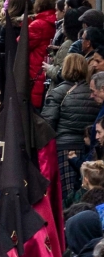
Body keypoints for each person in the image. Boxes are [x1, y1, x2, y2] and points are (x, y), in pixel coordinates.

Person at [42, 54, 101, 202]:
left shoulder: (59, 92)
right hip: (89, 146)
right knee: (85, 186)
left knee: (66, 191)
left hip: (64, 146)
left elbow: (47, 121)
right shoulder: (93, 91)